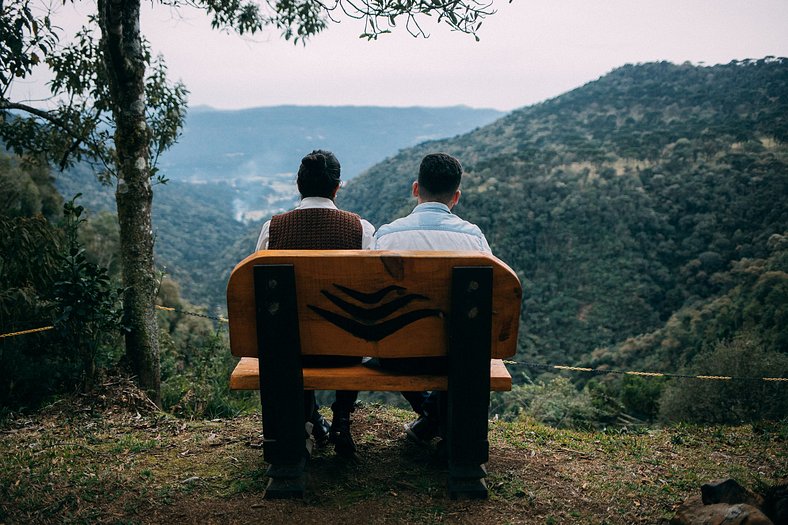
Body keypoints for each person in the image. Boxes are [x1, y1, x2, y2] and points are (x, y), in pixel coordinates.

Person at [256, 149, 375, 458]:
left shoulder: (273, 229)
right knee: (354, 325)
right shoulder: (361, 229)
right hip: (345, 351)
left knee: (291, 328)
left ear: (299, 185)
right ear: (337, 187)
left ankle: (308, 422)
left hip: (289, 352)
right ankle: (342, 418)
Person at [373, 152, 491, 445]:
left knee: (394, 341)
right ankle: (439, 422)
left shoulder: (386, 236)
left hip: (395, 352)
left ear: (416, 189)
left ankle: (431, 419)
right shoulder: (474, 239)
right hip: (456, 354)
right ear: (457, 196)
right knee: (460, 345)